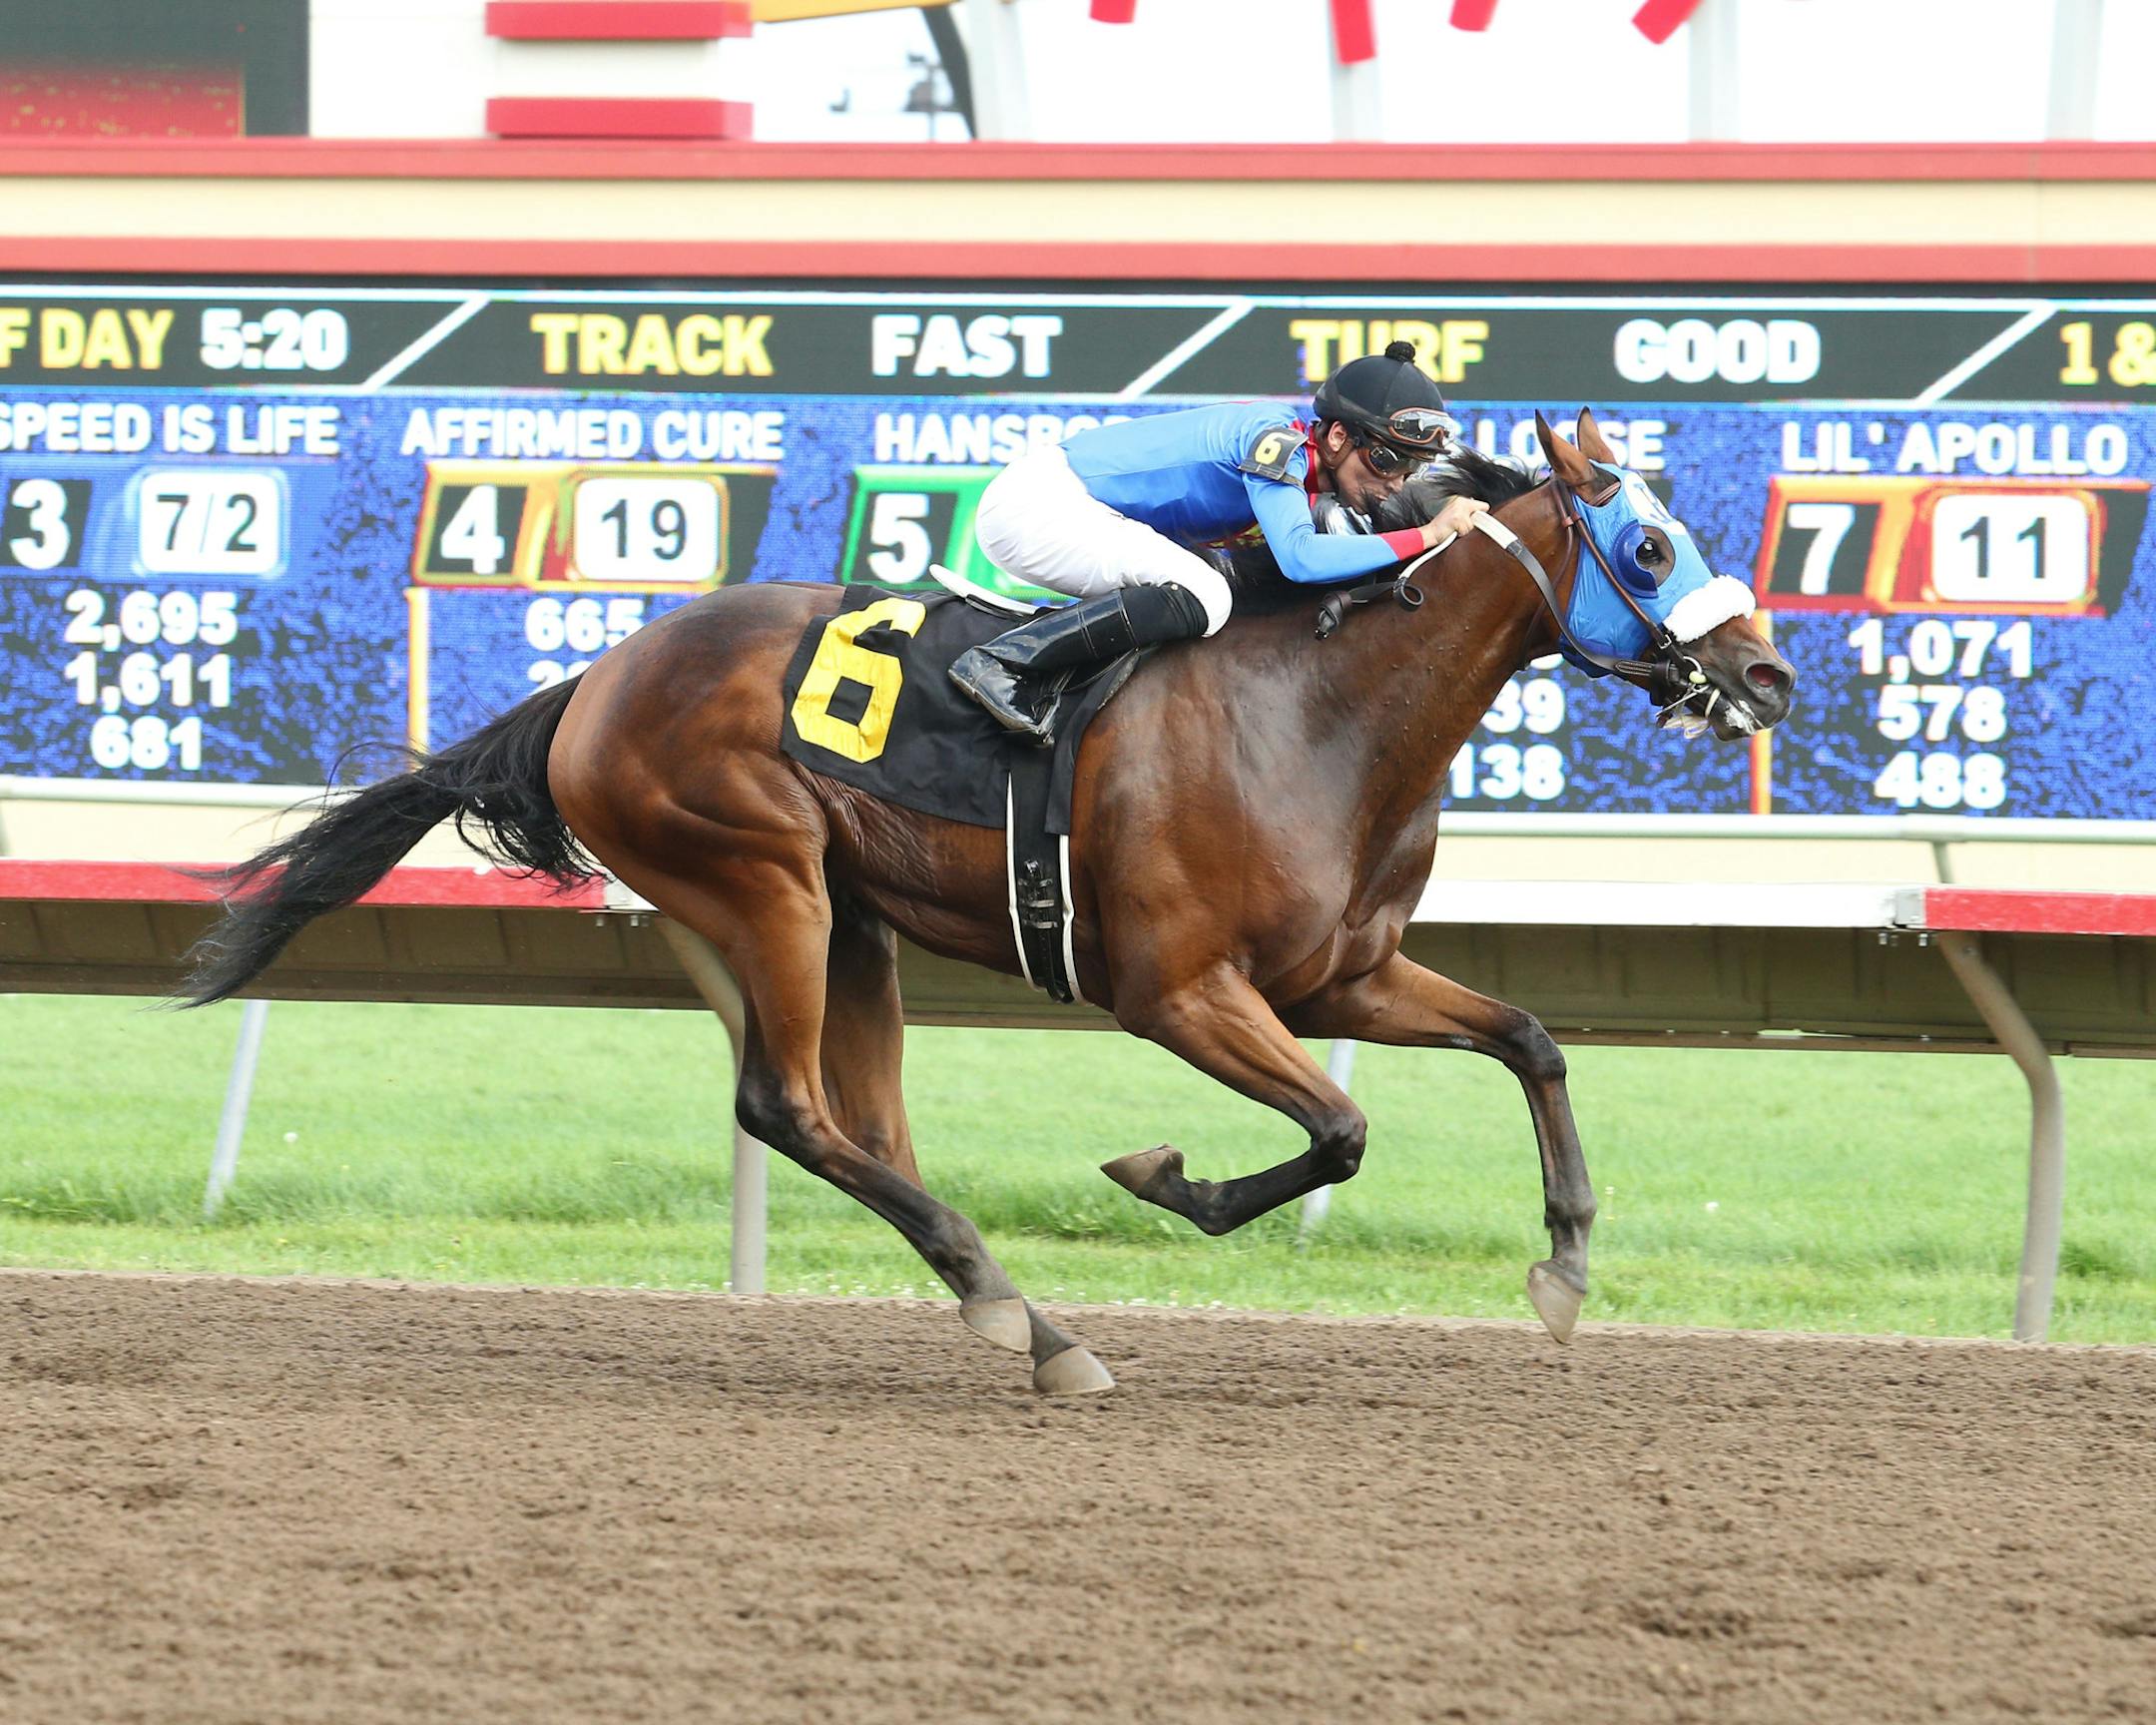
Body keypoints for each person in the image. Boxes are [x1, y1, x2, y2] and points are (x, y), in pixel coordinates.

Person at [948, 339, 1490, 741]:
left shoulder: (1303, 476)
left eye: (1411, 468)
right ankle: (1003, 662)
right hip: (1039, 505)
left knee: (1206, 591)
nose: (1395, 482)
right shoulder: (1278, 442)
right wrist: (1428, 534)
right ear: (1338, 436)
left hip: (1057, 508)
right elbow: (1301, 560)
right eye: (1386, 460)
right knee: (1207, 593)